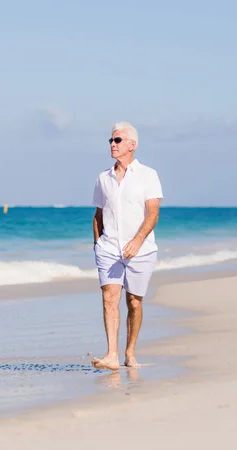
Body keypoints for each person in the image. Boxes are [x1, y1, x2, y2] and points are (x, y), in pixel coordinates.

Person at [91, 121, 163, 371]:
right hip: (109, 248)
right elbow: (98, 214)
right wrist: (97, 244)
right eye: (111, 140)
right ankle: (111, 354)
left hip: (141, 249)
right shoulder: (103, 178)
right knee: (110, 297)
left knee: (134, 301)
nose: (112, 144)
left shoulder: (148, 175)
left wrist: (137, 241)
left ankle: (129, 352)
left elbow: (153, 213)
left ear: (132, 145)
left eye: (117, 140)